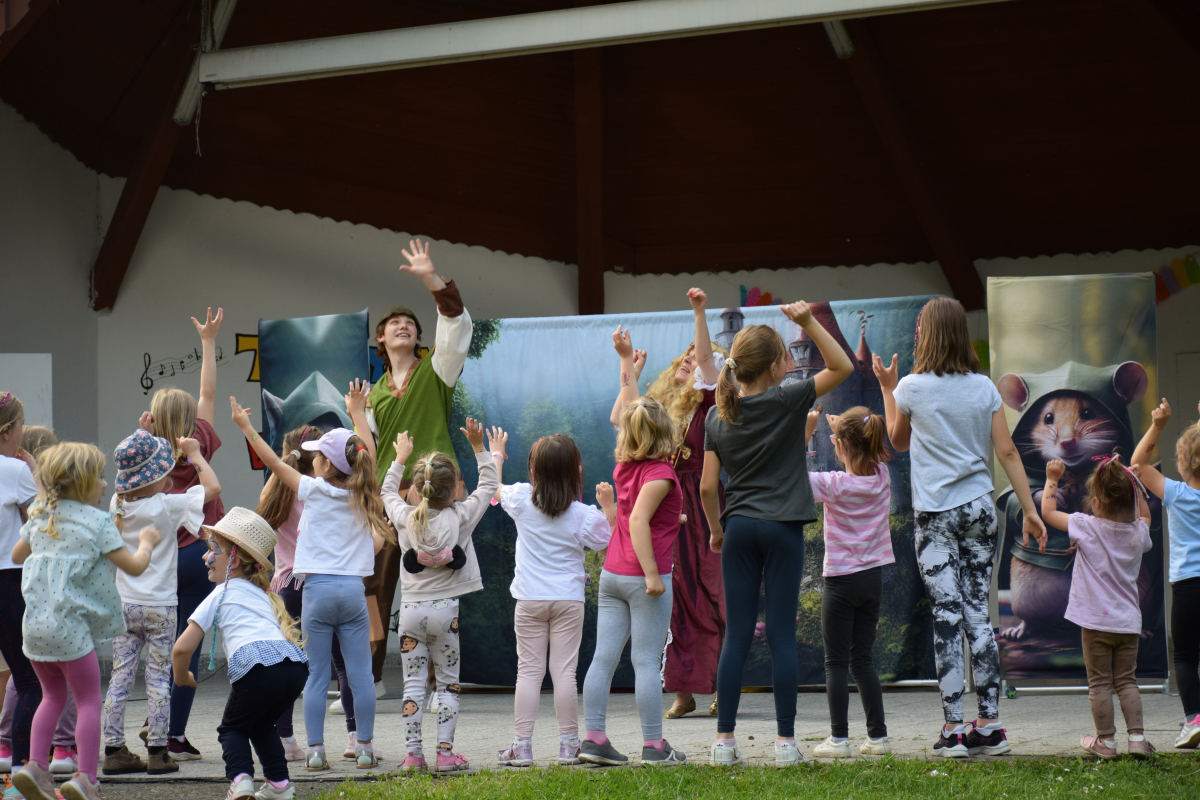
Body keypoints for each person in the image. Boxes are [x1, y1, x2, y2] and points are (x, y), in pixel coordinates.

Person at [874, 296, 1046, 758]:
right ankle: (990, 726)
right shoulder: (984, 387)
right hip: (979, 512)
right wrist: (1030, 509)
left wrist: (888, 389)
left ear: (925, 335)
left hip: (935, 516)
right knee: (979, 618)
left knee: (946, 619)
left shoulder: (911, 386)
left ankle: (953, 730)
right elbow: (1007, 452)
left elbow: (898, 440)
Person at [701, 303, 853, 767]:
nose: (790, 361)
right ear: (772, 368)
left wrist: (716, 530)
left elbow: (707, 487)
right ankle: (786, 744)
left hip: (739, 528)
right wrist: (808, 322)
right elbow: (842, 367)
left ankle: (723, 743)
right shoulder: (788, 400)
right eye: (785, 356)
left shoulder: (716, 417)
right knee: (783, 635)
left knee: (737, 636)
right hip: (783, 528)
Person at [233, 400, 392, 772]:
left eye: (319, 455)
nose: (315, 460)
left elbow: (273, 463)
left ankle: (316, 751)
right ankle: (364, 747)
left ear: (326, 465)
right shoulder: (363, 495)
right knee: (360, 675)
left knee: (317, 676)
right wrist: (358, 417)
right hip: (353, 593)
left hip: (315, 593)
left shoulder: (312, 490)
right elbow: (367, 461)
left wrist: (246, 427)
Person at [9, 443, 158, 800]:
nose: (106, 484)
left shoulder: (40, 516)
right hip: (72, 633)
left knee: (51, 696)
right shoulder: (97, 522)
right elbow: (135, 566)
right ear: (83, 483)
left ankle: (35, 766)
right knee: (89, 700)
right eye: (101, 477)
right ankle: (85, 779)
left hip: (36, 630)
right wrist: (147, 542)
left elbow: (16, 555)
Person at [610, 288, 727, 719]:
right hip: (662, 506)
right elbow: (623, 418)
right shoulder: (660, 405)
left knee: (711, 595)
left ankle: (721, 683)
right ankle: (683, 688)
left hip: (700, 505)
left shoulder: (711, 404)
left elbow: (710, 366)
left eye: (697, 357)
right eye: (686, 354)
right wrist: (629, 366)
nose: (689, 359)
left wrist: (699, 313)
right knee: (673, 597)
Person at [364, 239, 474, 693]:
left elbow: (457, 326)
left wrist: (432, 279)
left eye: (410, 323)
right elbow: (368, 450)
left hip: (436, 491)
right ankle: (367, 680)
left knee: (439, 583)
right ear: (381, 338)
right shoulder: (372, 394)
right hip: (390, 494)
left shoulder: (437, 370)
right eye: (394, 323)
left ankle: (437, 683)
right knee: (374, 584)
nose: (404, 325)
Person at [380, 420, 502, 773]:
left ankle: (412, 755)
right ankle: (445, 755)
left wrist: (399, 458)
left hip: (410, 613)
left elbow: (387, 491)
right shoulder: (461, 517)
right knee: (448, 684)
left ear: (418, 489)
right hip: (445, 613)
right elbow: (489, 485)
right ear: (453, 489)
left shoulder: (404, 518)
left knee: (412, 685)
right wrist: (479, 447)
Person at [100, 429, 220, 776]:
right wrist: (195, 454)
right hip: (161, 608)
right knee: (157, 679)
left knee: (121, 677)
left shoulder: (117, 503)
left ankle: (113, 749)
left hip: (124, 606)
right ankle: (157, 751)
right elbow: (213, 488)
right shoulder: (168, 506)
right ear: (155, 476)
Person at [494, 434, 614, 767]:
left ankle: (522, 747)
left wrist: (496, 455)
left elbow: (493, 486)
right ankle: (569, 746)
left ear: (534, 471)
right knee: (564, 673)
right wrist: (609, 508)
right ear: (576, 473)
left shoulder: (521, 499)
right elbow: (608, 540)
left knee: (528, 673)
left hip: (529, 600)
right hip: (568, 601)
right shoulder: (583, 515)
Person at [172, 508, 308, 800]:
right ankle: (280, 786)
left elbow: (182, 647)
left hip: (258, 667)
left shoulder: (222, 592)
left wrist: (182, 677)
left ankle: (241, 780)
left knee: (231, 729)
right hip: (294, 667)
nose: (205, 557)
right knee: (262, 726)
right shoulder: (265, 595)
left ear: (233, 560)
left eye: (212, 549)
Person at [139, 307, 226, 762]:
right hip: (199, 558)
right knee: (185, 648)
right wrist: (209, 342)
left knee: (157, 646)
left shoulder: (147, 456)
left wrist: (143, 435)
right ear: (190, 420)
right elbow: (207, 390)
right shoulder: (200, 441)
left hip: (158, 562)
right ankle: (172, 734)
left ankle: (153, 721)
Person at [580, 395, 685, 767]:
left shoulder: (624, 466)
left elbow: (634, 514)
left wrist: (672, 519)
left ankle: (594, 739)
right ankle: (655, 746)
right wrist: (653, 575)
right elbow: (639, 520)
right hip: (644, 580)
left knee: (603, 659)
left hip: (613, 574)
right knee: (645, 662)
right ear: (664, 431)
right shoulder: (661, 474)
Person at [256, 425, 360, 763]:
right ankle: (355, 737)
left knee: (290, 667)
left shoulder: (278, 493)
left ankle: (286, 741)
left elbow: (262, 512)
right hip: (323, 583)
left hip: (287, 586)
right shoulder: (324, 494)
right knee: (343, 665)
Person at [1041, 456, 1155, 758]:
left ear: (1097, 502)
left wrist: (1052, 479)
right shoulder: (1138, 533)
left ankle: (1106, 742)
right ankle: (1137, 739)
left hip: (1095, 624)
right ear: (1132, 501)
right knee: (1127, 681)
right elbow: (1146, 516)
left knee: (1100, 683)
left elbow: (1048, 512)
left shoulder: (1085, 526)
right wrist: (1137, 485)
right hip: (1128, 623)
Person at [803, 407, 895, 758]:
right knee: (863, 660)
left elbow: (794, 475)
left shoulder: (834, 484)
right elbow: (863, 444)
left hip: (841, 582)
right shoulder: (882, 476)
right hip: (872, 580)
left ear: (840, 446)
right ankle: (878, 737)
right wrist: (842, 430)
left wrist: (808, 432)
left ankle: (838, 739)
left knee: (836, 663)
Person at [2, 425, 77, 778]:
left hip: (24, 590)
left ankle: (7, 744)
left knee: (23, 675)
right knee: (59, 675)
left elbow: (20, 549)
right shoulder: (23, 478)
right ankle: (60, 748)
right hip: (40, 591)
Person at [1131, 398, 1200, 749]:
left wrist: (1158, 425)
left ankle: (1195, 720)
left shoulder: (1176, 493)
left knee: (1186, 656)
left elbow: (1138, 464)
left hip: (1188, 586)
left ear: (1185, 462)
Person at [0, 393, 41, 796]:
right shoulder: (14, 470)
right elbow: (43, 523)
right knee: (30, 681)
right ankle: (19, 778)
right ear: (8, 430)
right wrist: (35, 472)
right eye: (21, 424)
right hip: (8, 582)